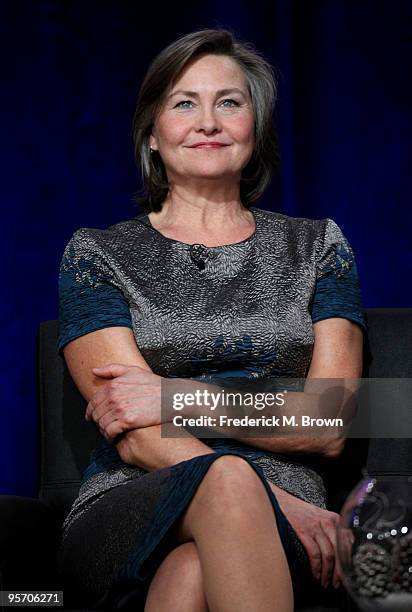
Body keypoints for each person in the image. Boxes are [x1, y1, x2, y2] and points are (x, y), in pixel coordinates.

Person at [57, 28, 366, 612]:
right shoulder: (96, 254)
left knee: (195, 572)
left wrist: (173, 396)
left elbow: (329, 421)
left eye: (229, 102)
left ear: (255, 128)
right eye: (184, 104)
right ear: (152, 134)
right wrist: (265, 497)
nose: (208, 122)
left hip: (292, 515)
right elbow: (134, 425)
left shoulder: (319, 245)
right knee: (226, 481)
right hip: (135, 499)